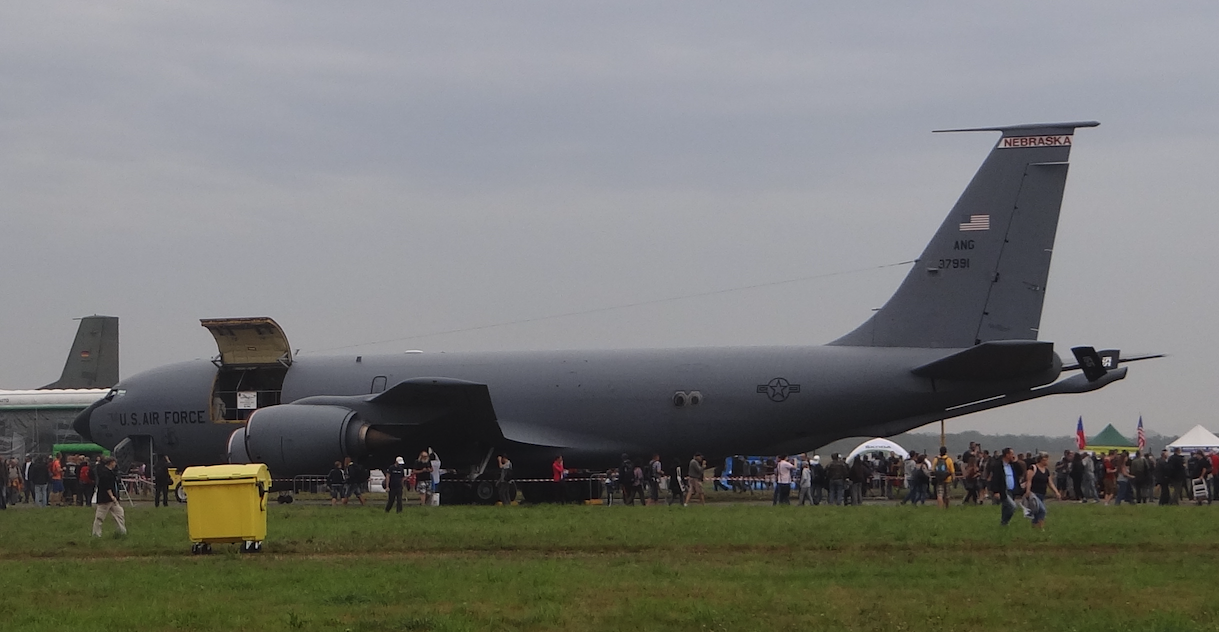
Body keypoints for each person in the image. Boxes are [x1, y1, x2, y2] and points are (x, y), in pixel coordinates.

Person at [1023, 453, 1062, 529]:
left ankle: (1034, 527)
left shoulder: (1046, 471)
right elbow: (1029, 481)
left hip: (1042, 494)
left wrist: (1056, 492)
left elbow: (1050, 483)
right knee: (1042, 510)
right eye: (1045, 460)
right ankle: (1041, 528)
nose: (1047, 461)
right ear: (1040, 460)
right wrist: (1028, 491)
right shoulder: (1033, 468)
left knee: (1036, 512)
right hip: (1033, 494)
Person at [92, 457, 127, 537]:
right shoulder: (104, 473)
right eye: (114, 462)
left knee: (120, 513)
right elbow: (107, 486)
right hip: (105, 498)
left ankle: (121, 531)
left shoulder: (110, 472)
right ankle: (96, 534)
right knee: (100, 517)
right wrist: (112, 496)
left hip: (112, 499)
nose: (115, 464)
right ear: (111, 462)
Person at [993, 448, 1027, 526]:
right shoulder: (998, 465)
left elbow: (1020, 472)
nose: (1013, 455)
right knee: (1012, 506)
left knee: (1005, 508)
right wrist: (996, 491)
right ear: (1007, 455)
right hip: (1003, 490)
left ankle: (1003, 524)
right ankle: (1004, 522)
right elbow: (995, 478)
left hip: (1012, 490)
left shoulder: (1012, 465)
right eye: (1012, 454)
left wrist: (1015, 462)